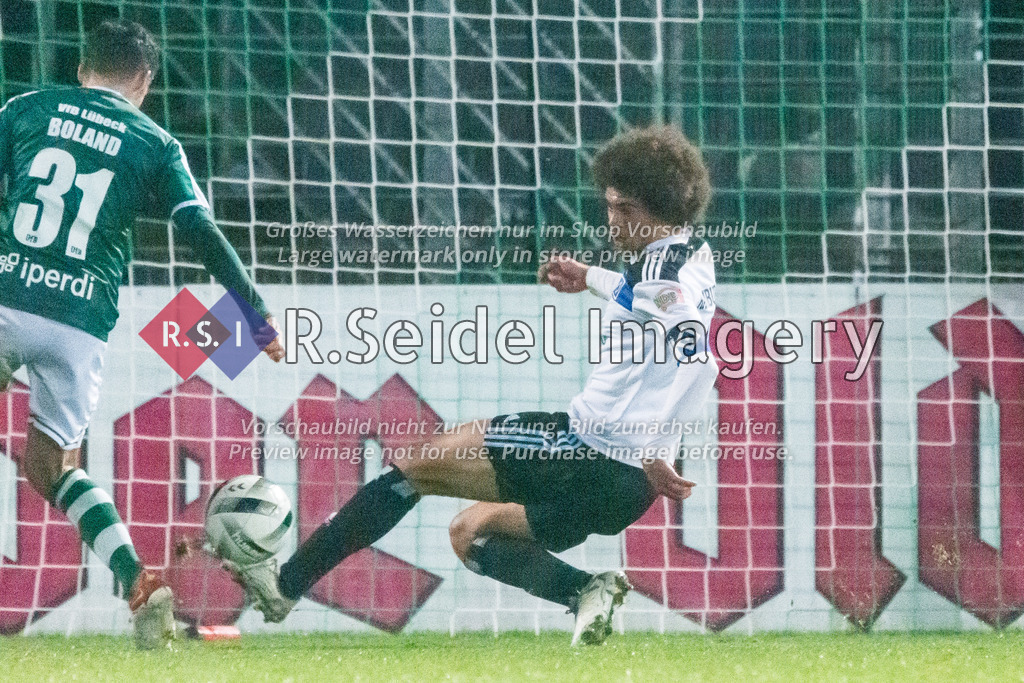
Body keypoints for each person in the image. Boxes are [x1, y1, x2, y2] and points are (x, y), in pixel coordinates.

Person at [227, 125, 718, 646]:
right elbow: (644, 301)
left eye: (624, 209)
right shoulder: (691, 259)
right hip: (624, 491)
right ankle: (586, 591)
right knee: (470, 534)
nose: (612, 220)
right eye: (610, 205)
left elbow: (698, 356)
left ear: (658, 206)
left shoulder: (662, 273)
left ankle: (285, 587)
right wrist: (589, 276)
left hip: (580, 449)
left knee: (412, 469)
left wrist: (659, 447)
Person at [0, 20, 284, 649]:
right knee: (52, 468)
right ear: (146, 82)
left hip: (7, 293)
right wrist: (255, 313)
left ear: (81, 68)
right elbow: (201, 232)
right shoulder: (156, 143)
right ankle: (137, 579)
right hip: (79, 323)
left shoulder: (25, 108)